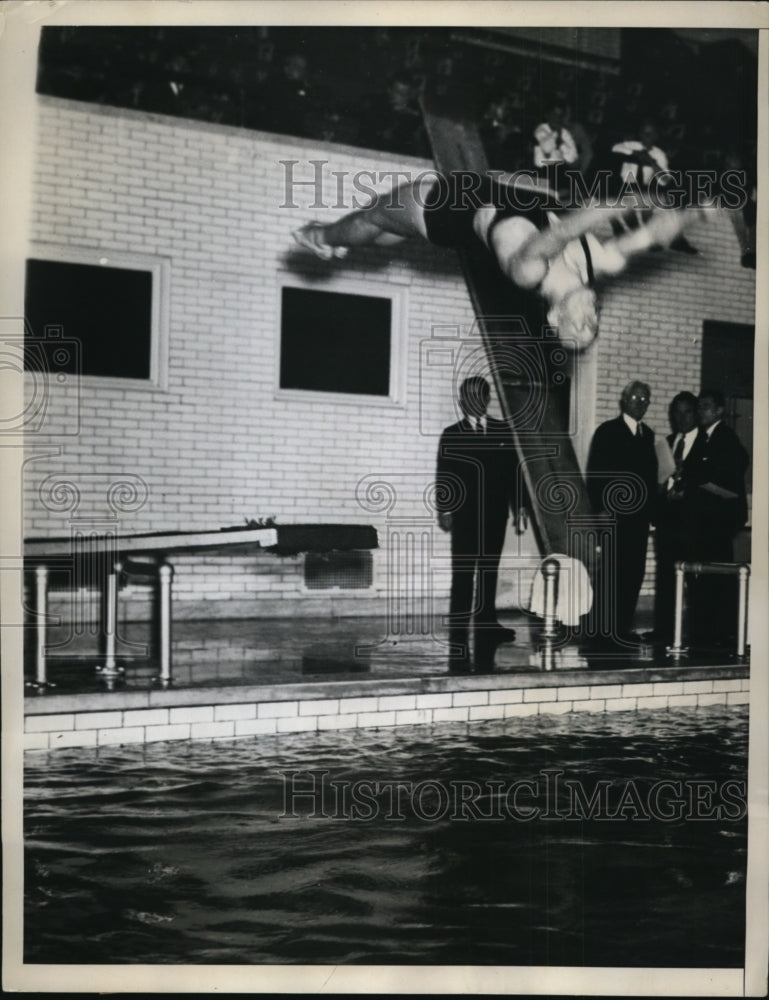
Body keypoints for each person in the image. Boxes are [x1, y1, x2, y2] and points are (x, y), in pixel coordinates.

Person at [293, 170, 701, 350]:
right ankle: (354, 242)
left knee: (374, 216)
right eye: (595, 326)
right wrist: (698, 211)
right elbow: (651, 235)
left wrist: (640, 198)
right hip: (487, 187)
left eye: (581, 326)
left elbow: (562, 231)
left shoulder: (529, 273)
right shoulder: (602, 264)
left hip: (444, 210)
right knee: (382, 236)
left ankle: (321, 236)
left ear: (555, 318)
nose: (593, 319)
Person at [435, 376, 523, 669]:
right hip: (465, 517)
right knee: (463, 575)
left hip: (495, 515)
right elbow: (445, 475)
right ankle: (458, 633)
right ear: (462, 401)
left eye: (478, 395)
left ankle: (487, 624)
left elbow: (515, 473)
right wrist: (445, 509)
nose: (471, 401)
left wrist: (520, 506)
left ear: (486, 400)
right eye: (466, 396)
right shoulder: (451, 434)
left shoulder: (502, 431)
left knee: (489, 571)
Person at [586, 380, 658, 643]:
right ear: (624, 400)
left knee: (634, 572)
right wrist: (600, 511)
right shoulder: (608, 431)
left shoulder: (648, 435)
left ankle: (621, 629)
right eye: (637, 399)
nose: (641, 404)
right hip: (614, 517)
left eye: (645, 400)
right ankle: (601, 631)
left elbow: (650, 477)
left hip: (638, 519)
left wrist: (653, 514)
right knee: (612, 573)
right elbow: (595, 474)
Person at [687, 389, 750, 647]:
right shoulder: (705, 437)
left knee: (716, 576)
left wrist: (699, 475)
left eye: (706, 406)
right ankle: (705, 632)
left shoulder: (725, 437)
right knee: (704, 577)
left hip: (719, 521)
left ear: (720, 411)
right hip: (705, 521)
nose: (700, 411)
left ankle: (718, 634)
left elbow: (735, 464)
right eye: (699, 406)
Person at [652, 391, 705, 642]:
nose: (682, 418)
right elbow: (658, 481)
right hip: (667, 524)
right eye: (677, 412)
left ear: (696, 414)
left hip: (694, 524)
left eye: (687, 412)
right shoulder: (666, 443)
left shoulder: (707, 442)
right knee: (665, 579)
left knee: (696, 582)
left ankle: (697, 636)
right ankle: (663, 632)